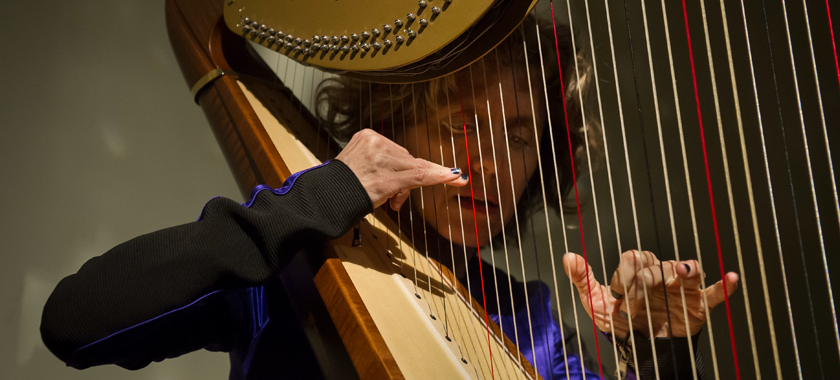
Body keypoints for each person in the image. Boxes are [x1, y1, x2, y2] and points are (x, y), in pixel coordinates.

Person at [40, 17, 738, 380]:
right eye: (458, 124)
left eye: (518, 136)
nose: (489, 162)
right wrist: (323, 198)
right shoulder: (297, 263)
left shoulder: (534, 319)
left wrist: (654, 347)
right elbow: (75, 319)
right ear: (393, 122)